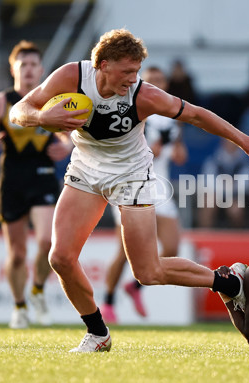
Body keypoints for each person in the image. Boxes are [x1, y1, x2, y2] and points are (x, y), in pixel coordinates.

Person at [9, 28, 249, 352]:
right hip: (86, 170)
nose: (134, 78)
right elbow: (20, 110)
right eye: (127, 71)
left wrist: (247, 143)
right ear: (102, 65)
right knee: (60, 258)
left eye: (137, 71)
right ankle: (98, 334)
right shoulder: (72, 77)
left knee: (148, 271)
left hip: (132, 176)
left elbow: (198, 115)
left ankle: (229, 282)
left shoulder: (144, 95)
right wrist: (42, 115)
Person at [0, 40, 74, 328]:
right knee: (17, 254)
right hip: (12, 180)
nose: (28, 70)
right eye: (23, 65)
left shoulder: (52, 99)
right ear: (13, 68)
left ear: (41, 69)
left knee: (47, 241)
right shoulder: (1, 102)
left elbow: (71, 133)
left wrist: (66, 146)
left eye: (33, 65)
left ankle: (38, 290)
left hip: (42, 173)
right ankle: (19, 307)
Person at [101, 66, 188, 323]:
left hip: (159, 188)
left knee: (172, 246)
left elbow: (177, 153)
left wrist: (178, 151)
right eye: (151, 81)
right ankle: (107, 301)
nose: (157, 84)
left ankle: (135, 287)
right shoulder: (132, 112)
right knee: (124, 251)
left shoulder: (170, 118)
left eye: (160, 80)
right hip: (130, 185)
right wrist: (150, 151)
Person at [197, 138, 249, 228]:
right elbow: (208, 183)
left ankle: (239, 238)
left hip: (237, 197)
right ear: (223, 143)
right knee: (208, 201)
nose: (231, 145)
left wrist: (225, 186)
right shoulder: (213, 161)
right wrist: (229, 185)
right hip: (216, 195)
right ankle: (204, 236)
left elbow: (245, 184)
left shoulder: (245, 162)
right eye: (229, 142)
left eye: (234, 143)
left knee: (236, 209)